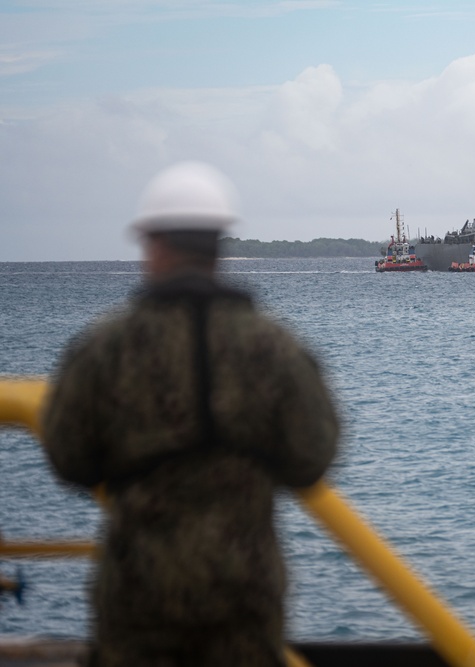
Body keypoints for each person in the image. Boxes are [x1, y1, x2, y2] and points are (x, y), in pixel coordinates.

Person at [42, 162, 340, 667]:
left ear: (152, 242)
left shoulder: (104, 348)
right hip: (244, 591)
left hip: (140, 595)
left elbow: (69, 457)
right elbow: (314, 456)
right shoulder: (276, 346)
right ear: (220, 244)